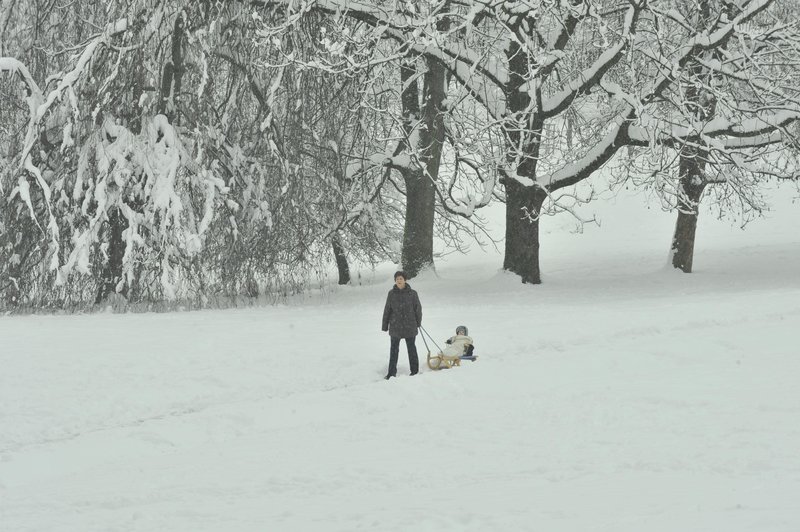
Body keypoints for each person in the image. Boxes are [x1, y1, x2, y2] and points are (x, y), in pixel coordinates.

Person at [381, 270, 422, 379]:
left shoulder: (413, 293)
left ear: (405, 280)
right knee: (393, 351)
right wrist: (385, 325)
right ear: (395, 280)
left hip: (410, 326)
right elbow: (387, 310)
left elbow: (418, 309)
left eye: (401, 279)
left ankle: (414, 371)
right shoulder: (391, 293)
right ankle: (391, 373)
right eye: (397, 279)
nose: (399, 280)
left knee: (412, 349)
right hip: (395, 327)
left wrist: (418, 323)